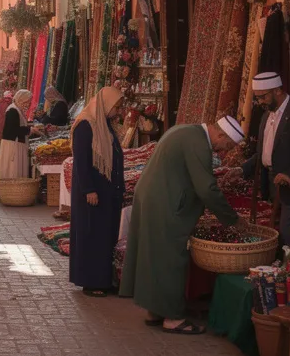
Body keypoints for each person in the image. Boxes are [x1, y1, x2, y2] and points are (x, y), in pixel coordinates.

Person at [119, 116, 244, 334]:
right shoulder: (199, 143)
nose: (224, 151)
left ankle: (154, 311)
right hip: (166, 203)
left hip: (153, 197)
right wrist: (232, 219)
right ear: (221, 135)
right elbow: (206, 188)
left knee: (154, 256)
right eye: (227, 146)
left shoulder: (186, 131)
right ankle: (173, 319)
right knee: (172, 258)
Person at [241, 71, 290, 245]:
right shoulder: (266, 115)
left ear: (277, 90)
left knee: (288, 234)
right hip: (272, 183)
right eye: (257, 98)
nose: (260, 102)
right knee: (274, 234)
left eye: (263, 97)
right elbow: (263, 152)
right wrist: (242, 170)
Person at [68, 88, 126, 297]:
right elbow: (81, 162)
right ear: (105, 104)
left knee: (104, 235)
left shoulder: (104, 124)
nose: (118, 111)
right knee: (91, 235)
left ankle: (103, 279)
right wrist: (89, 189)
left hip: (106, 190)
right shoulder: (85, 125)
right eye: (116, 107)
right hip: (92, 193)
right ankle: (90, 282)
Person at [0, 89, 33, 180]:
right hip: (12, 145)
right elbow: (12, 130)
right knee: (12, 170)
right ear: (22, 99)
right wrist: (30, 130)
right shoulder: (13, 110)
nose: (28, 104)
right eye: (27, 101)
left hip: (16, 144)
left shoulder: (17, 109)